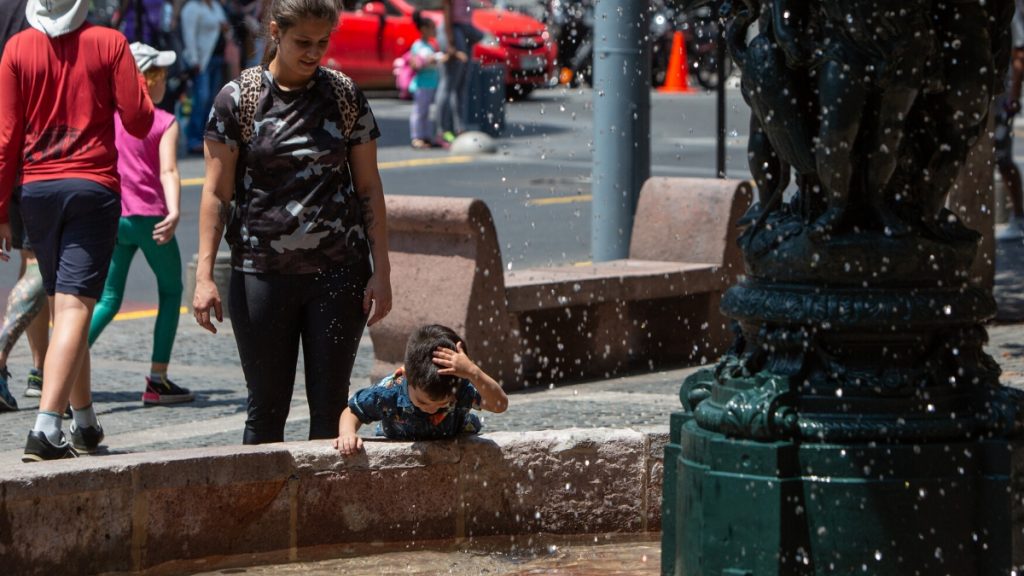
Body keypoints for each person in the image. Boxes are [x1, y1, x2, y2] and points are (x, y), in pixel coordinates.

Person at [193, 0, 392, 445]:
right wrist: (204, 275)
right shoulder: (238, 99)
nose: (313, 52)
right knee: (265, 410)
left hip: (339, 274)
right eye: (303, 42)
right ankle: (264, 515)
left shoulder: (343, 94)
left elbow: (369, 188)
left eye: (322, 43)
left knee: (330, 410)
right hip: (261, 274)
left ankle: (322, 514)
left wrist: (383, 271)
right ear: (276, 32)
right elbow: (215, 193)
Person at [0, 0, 155, 461]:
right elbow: (139, 119)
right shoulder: (110, 42)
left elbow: (6, 138)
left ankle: (84, 421)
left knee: (65, 303)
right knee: (73, 308)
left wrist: (0, 211)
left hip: (36, 193)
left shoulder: (16, 49)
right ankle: (47, 427)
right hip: (91, 189)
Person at [86, 42, 193, 406]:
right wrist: (174, 212)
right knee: (171, 291)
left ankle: (62, 364)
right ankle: (158, 379)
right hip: (151, 219)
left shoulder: (110, 118)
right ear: (148, 80)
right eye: (161, 75)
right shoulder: (163, 122)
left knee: (109, 298)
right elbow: (168, 171)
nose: (166, 81)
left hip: (116, 217)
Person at [334, 324, 508, 455]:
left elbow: (499, 404)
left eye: (443, 404)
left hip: (455, 433)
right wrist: (347, 434)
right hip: (398, 437)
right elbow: (352, 411)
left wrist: (473, 372)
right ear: (407, 376)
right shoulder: (389, 392)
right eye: (423, 401)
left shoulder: (459, 388)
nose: (432, 408)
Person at [0, 0, 50, 413]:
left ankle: (40, 368)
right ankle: (11, 362)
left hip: (9, 148)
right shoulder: (49, 7)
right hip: (38, 150)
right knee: (39, 263)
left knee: (30, 257)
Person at [408, 11, 462, 150]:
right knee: (420, 112)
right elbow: (427, 59)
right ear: (424, 29)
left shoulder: (430, 45)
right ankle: (416, 137)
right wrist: (444, 57)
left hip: (431, 84)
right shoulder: (419, 45)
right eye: (432, 28)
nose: (435, 31)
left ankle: (425, 136)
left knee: (427, 113)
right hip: (422, 85)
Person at [180, 0, 229, 154]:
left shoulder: (215, 6)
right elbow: (189, 35)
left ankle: (206, 137)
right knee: (201, 98)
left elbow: (225, 25)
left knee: (211, 100)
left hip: (217, 59)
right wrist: (194, 60)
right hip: (202, 61)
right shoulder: (192, 8)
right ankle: (193, 139)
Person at [435, 0, 482, 143]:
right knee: (448, 84)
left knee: (462, 85)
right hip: (453, 31)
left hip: (465, 29)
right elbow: (447, 10)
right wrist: (450, 44)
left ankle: (459, 127)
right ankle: (442, 131)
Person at [997, 4, 1024, 242]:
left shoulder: (1007, 9)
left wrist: (1012, 98)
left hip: (1001, 99)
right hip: (992, 95)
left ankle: (1019, 216)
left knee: (1002, 158)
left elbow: (1019, 56)